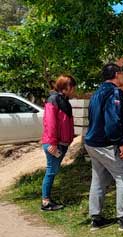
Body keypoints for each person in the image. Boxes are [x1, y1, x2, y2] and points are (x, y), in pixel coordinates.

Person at [85, 63, 123, 231]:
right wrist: (121, 142)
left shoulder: (97, 93)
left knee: (98, 178)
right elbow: (113, 120)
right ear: (116, 74)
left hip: (92, 142)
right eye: (121, 73)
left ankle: (96, 218)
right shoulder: (114, 92)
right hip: (106, 143)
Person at [41, 75, 76, 211]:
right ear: (66, 87)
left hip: (61, 143)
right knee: (50, 171)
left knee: (52, 171)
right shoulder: (53, 99)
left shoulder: (63, 100)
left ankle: (47, 199)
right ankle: (46, 202)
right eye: (72, 87)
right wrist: (53, 143)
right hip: (54, 143)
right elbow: (50, 123)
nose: (73, 90)